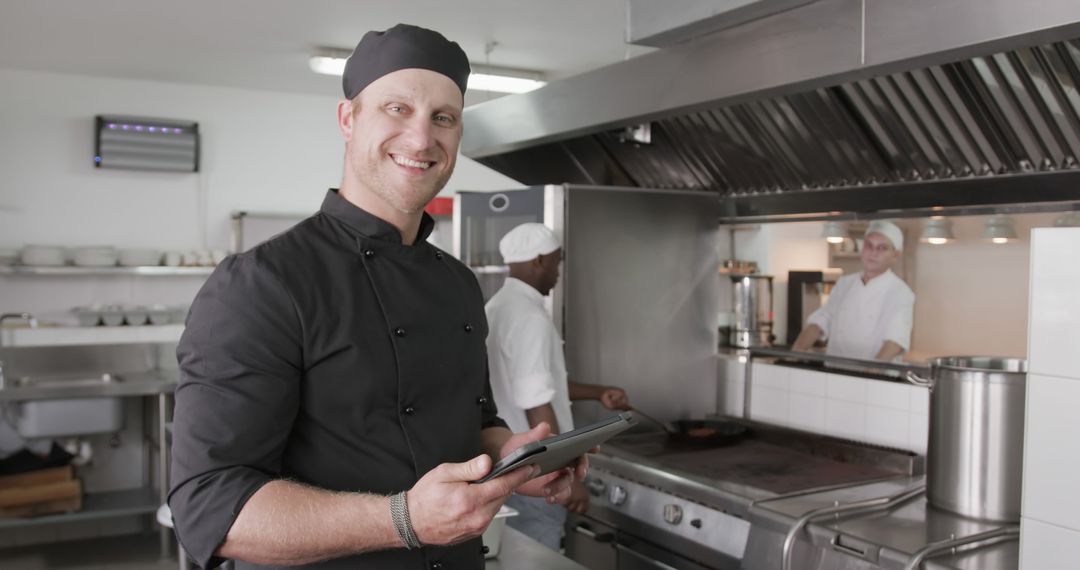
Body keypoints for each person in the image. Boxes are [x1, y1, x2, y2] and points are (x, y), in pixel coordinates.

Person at [168, 24, 582, 570]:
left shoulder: (457, 282)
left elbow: (474, 420)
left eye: (443, 118)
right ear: (348, 119)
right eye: (397, 109)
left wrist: (514, 457)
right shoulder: (262, 283)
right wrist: (404, 519)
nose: (421, 139)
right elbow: (209, 504)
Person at [485, 223, 630, 550]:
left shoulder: (497, 307)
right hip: (535, 472)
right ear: (538, 261)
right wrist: (562, 471)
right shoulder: (529, 318)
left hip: (507, 461)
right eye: (556, 261)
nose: (558, 271)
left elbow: (535, 382)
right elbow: (536, 403)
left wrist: (597, 392)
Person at [792, 220, 915, 361]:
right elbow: (820, 321)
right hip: (836, 371)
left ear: (896, 255)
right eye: (869, 245)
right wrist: (794, 353)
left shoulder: (901, 292)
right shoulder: (845, 283)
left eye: (882, 248)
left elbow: (895, 342)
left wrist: (870, 373)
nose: (873, 253)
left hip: (873, 377)